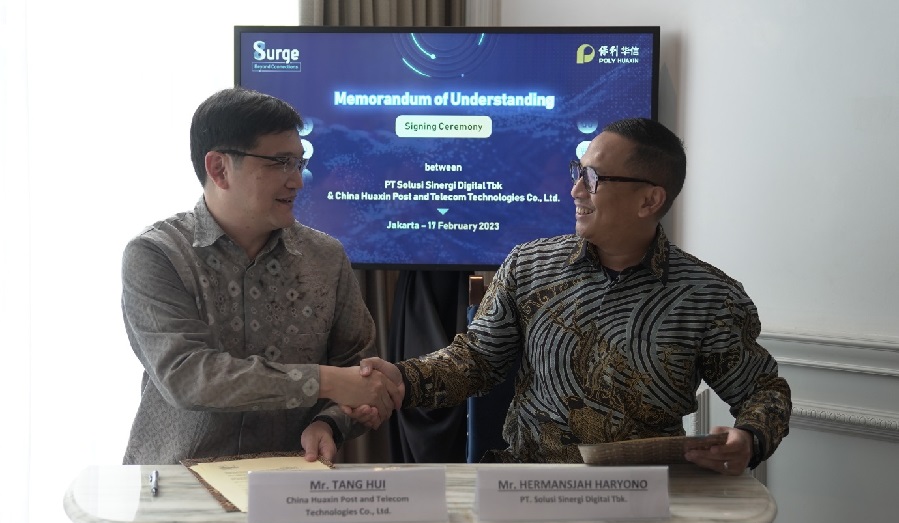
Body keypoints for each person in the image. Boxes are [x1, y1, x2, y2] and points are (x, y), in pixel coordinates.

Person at [357, 118, 792, 475]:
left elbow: (763, 390)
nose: (576, 190)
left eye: (593, 178)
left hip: (645, 497)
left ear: (649, 200)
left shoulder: (709, 296)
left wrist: (749, 438)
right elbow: (477, 360)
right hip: (532, 486)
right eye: (577, 171)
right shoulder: (529, 266)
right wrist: (401, 379)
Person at [120, 87, 401, 467]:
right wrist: (327, 381)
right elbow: (188, 376)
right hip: (177, 484)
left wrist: (330, 423)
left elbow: (358, 366)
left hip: (289, 483)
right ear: (219, 168)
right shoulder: (157, 254)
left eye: (299, 163)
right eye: (280, 163)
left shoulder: (326, 258)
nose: (298, 181)